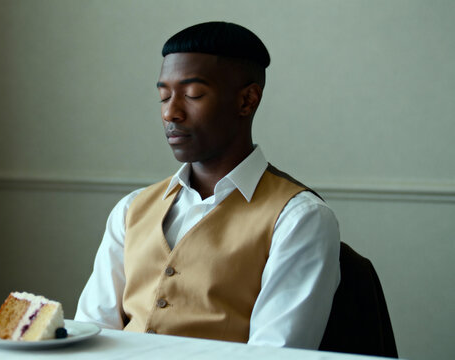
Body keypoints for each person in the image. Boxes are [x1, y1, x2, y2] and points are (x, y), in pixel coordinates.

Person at [75, 21, 340, 350]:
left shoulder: (299, 218)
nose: (171, 112)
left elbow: (276, 353)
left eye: (192, 95)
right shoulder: (131, 208)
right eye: (163, 96)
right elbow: (91, 331)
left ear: (247, 101)